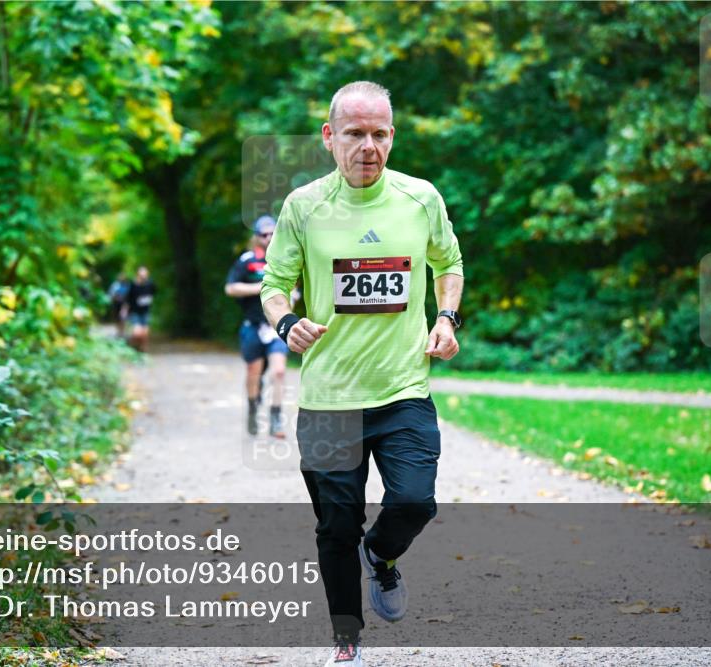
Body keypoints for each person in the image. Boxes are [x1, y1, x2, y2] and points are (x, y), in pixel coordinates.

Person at [260, 81, 464, 667]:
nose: (367, 146)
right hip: (329, 398)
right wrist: (287, 322)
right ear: (330, 137)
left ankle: (384, 553)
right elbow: (274, 287)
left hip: (403, 389)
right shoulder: (303, 206)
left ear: (392, 137)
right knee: (334, 527)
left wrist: (446, 317)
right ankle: (346, 641)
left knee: (415, 501)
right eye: (354, 133)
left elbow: (448, 261)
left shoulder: (421, 199)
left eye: (378, 134)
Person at [225, 215, 289, 437]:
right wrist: (261, 289)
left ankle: (276, 418)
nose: (268, 238)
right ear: (256, 237)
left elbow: (296, 287)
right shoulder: (247, 260)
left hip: (276, 326)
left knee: (279, 371)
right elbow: (231, 288)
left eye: (272, 233)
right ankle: (253, 409)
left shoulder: (284, 259)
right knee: (253, 372)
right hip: (252, 325)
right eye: (264, 234)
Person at [123, 266, 156, 352]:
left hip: (145, 311)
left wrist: (149, 299)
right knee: (137, 333)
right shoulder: (133, 285)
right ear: (138, 274)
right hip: (134, 311)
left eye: (145, 274)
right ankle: (134, 346)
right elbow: (127, 298)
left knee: (145, 333)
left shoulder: (150, 284)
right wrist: (125, 309)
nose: (143, 276)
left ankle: (143, 348)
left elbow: (153, 293)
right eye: (142, 274)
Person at [107, 273, 130, 338]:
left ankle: (122, 331)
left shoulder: (127, 285)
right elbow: (110, 294)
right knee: (116, 317)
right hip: (116, 304)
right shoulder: (115, 285)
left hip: (124, 304)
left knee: (123, 317)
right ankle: (118, 331)